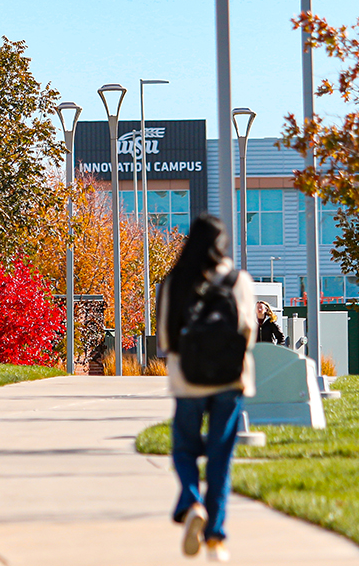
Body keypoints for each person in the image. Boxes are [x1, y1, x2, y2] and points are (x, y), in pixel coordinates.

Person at [156, 214, 256, 562]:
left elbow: (166, 338)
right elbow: (247, 331)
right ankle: (215, 538)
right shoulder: (237, 280)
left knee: (184, 449)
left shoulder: (174, 281)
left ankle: (191, 501)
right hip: (230, 379)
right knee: (220, 456)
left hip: (188, 380)